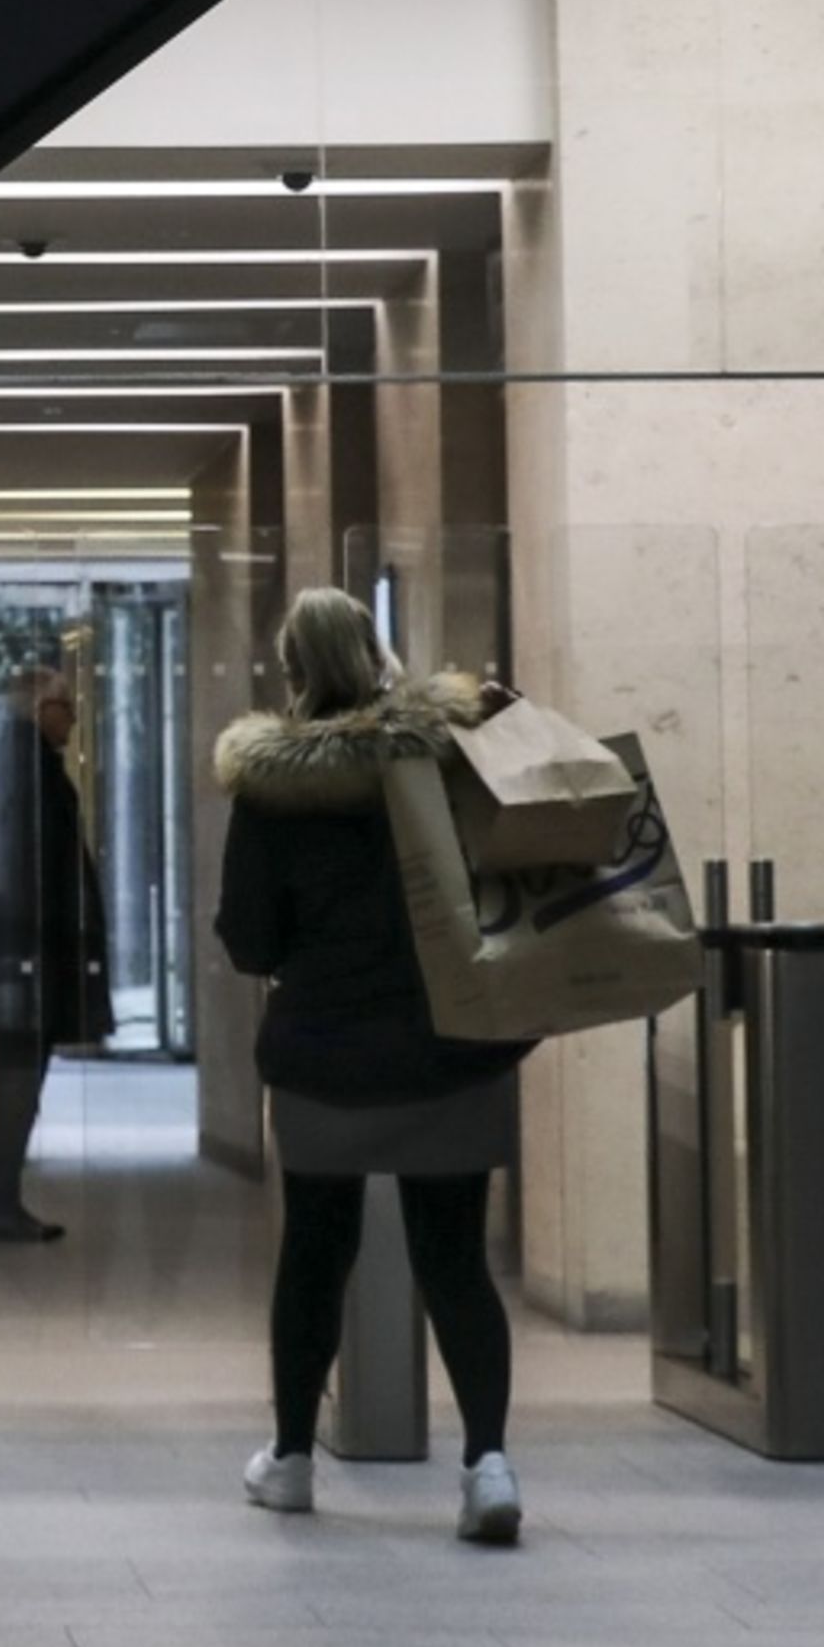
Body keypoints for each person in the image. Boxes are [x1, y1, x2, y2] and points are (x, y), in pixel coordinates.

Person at [212, 589, 527, 1544]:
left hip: (324, 1055)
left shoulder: (271, 789)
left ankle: (293, 1459)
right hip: (450, 1046)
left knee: (314, 1253)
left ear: (293, 671)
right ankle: (486, 1465)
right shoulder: (443, 754)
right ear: (382, 654)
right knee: (454, 1258)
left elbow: (249, 937)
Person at [0, 660, 108, 1242]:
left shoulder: (17, 766)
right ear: (41, 711)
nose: (74, 719)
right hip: (27, 959)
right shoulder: (25, 771)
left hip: (21, 957)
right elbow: (30, 872)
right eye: (66, 707)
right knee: (16, 1087)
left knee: (18, 1085)